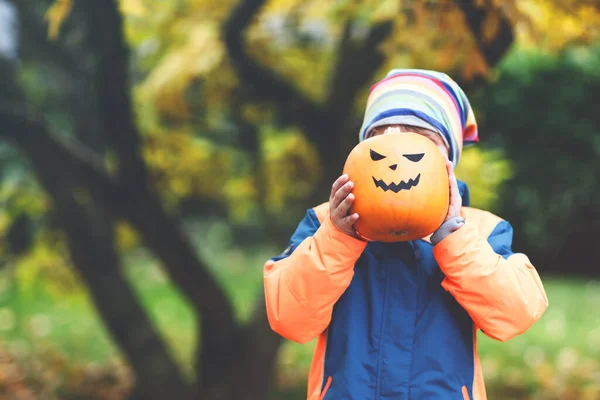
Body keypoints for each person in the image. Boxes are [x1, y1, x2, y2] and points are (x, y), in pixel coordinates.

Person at [263, 69, 548, 400]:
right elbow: (289, 316)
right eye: (379, 137)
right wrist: (338, 238)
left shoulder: (479, 231)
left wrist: (453, 236)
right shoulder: (325, 223)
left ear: (448, 160)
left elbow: (516, 313)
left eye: (416, 138)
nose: (394, 153)